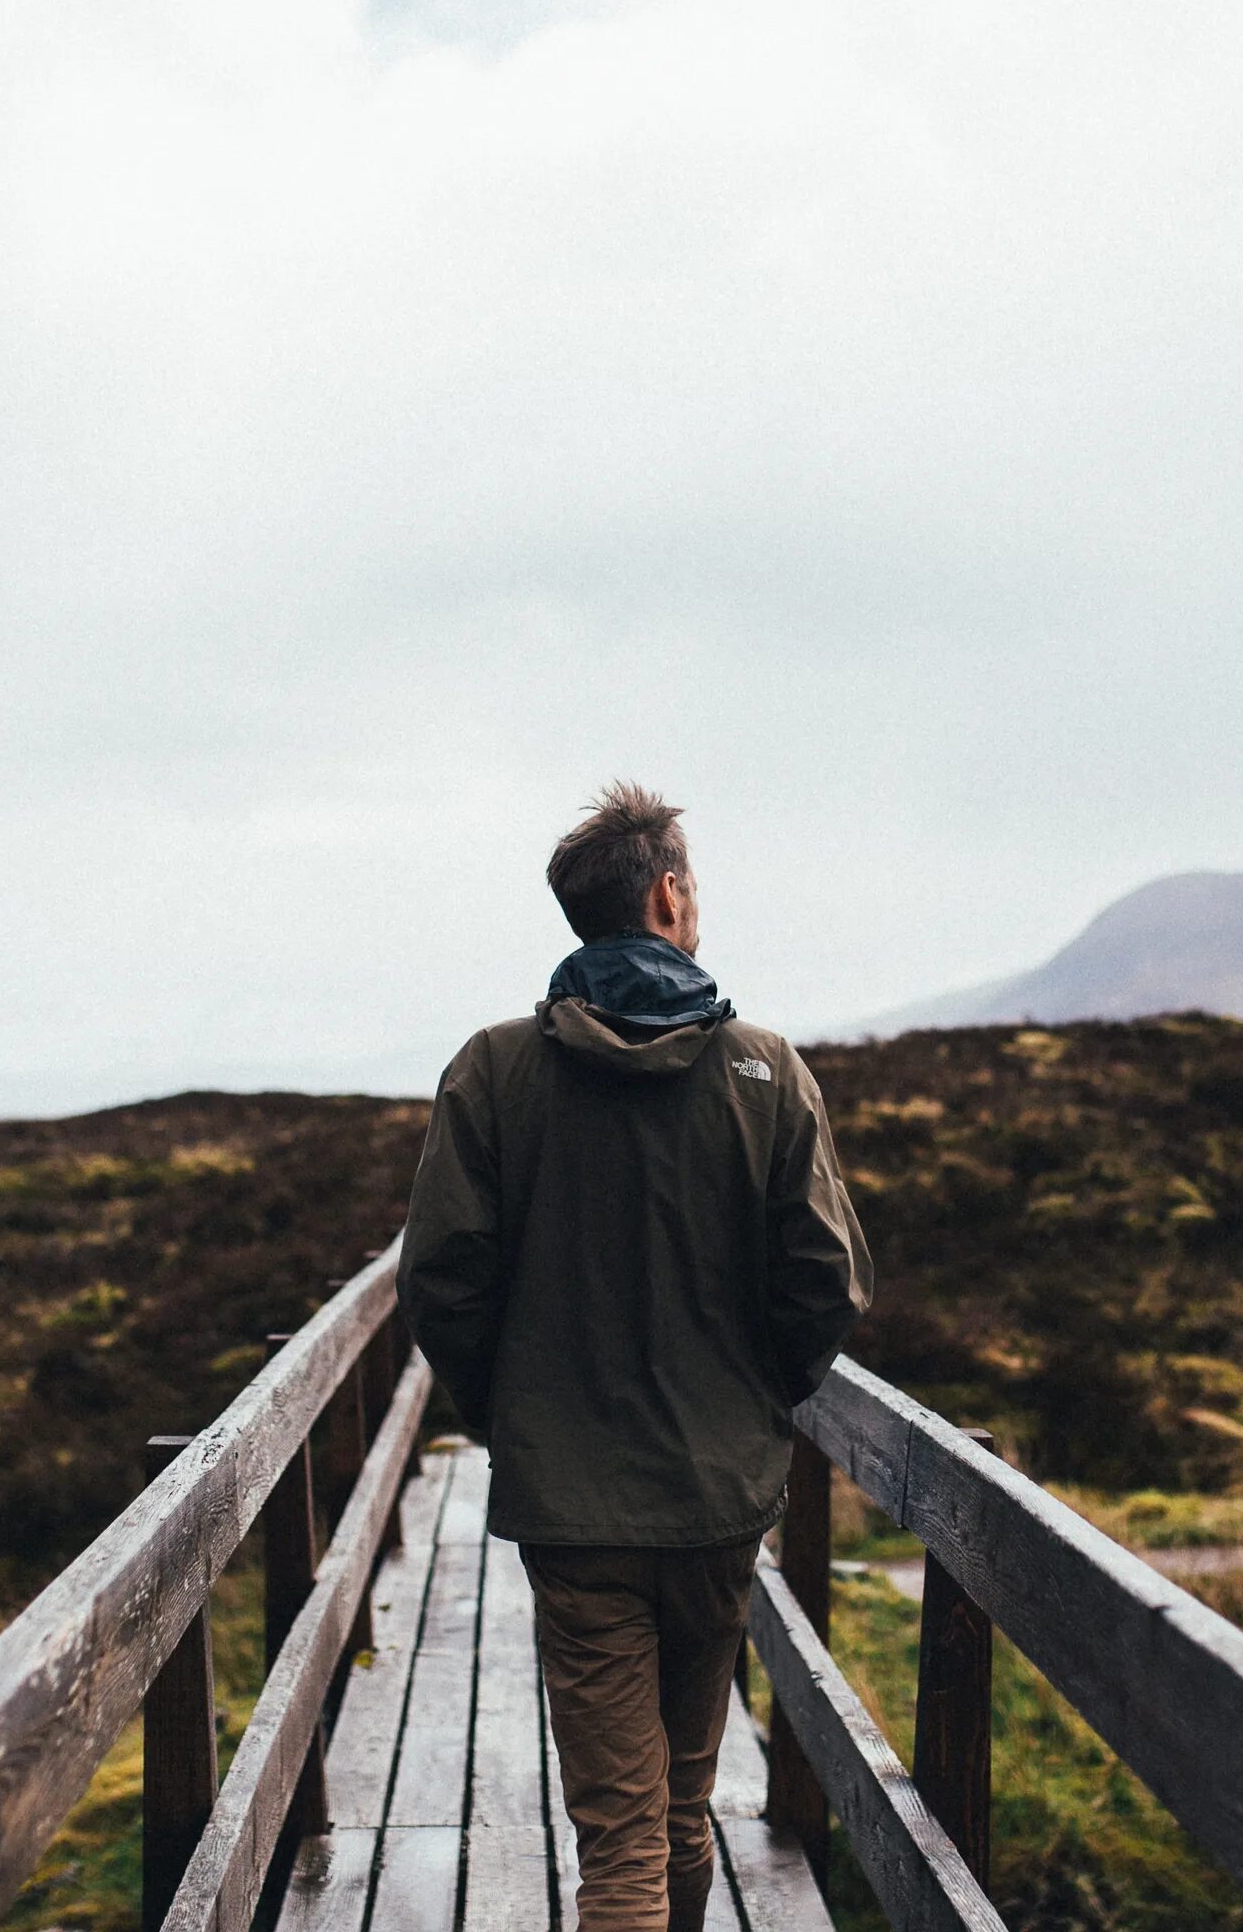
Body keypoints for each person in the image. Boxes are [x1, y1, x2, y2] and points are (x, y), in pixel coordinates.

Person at [400, 782, 874, 1932]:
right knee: (678, 1808)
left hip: (572, 1507)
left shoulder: (493, 1070)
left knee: (618, 1836)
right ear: (668, 896)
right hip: (718, 1498)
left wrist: (511, 1410)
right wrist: (755, 1402)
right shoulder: (766, 1070)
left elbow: (441, 1282)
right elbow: (829, 1282)